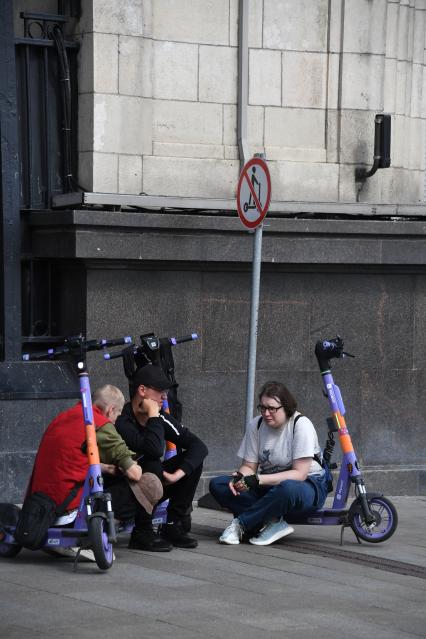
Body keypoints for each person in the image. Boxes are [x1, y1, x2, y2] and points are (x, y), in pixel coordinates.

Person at [29, 384, 165, 557]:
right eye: (117, 415)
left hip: (44, 501)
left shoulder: (65, 417)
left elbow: (73, 459)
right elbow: (134, 473)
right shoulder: (101, 425)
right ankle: (105, 531)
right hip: (71, 507)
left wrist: (106, 467)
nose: (116, 421)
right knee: (148, 484)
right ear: (110, 410)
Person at [209, 381, 328, 546]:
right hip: (269, 485)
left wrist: (258, 480)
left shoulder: (301, 424)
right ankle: (272, 522)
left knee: (288, 488)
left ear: (286, 407)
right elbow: (249, 466)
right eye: (262, 408)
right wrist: (240, 478)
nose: (266, 413)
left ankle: (241, 524)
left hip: (308, 484)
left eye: (272, 408)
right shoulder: (256, 425)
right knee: (219, 484)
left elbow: (299, 474)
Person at [115, 364, 208, 550]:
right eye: (159, 391)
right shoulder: (122, 420)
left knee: (192, 461)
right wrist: (153, 416)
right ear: (142, 390)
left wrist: (177, 475)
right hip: (125, 491)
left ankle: (172, 525)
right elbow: (153, 450)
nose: (164, 396)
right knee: (152, 463)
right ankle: (142, 532)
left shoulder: (159, 417)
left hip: (153, 485)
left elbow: (199, 446)